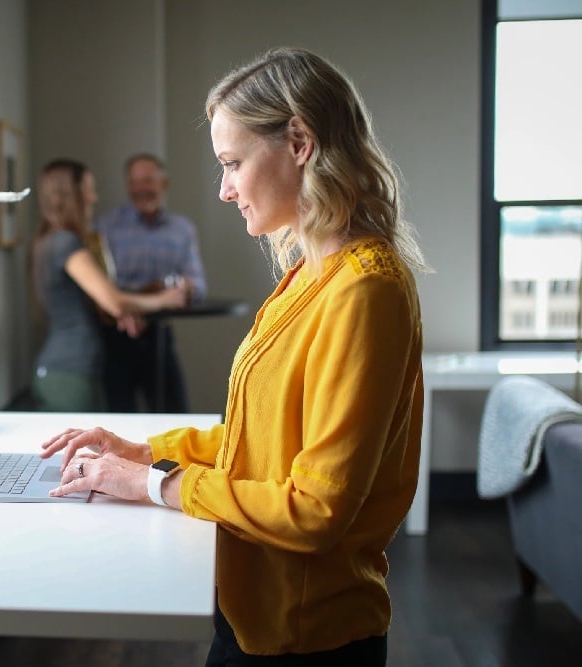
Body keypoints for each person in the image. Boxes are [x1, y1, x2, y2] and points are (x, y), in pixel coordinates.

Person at [40, 47, 428, 665]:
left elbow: (315, 509)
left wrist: (154, 484)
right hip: (252, 612)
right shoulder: (310, 274)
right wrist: (147, 452)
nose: (223, 189)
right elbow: (265, 443)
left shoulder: (365, 290)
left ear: (299, 141)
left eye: (232, 163)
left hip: (307, 638)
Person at [31, 159, 186, 413]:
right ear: (72, 195)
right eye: (89, 190)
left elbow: (102, 303)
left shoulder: (50, 240)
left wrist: (120, 313)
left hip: (62, 371)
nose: (94, 198)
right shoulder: (66, 243)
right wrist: (166, 300)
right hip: (70, 373)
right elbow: (113, 299)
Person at [95, 153, 208, 413]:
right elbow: (101, 288)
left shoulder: (182, 229)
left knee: (175, 416)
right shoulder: (106, 226)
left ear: (163, 184)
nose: (140, 189)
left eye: (147, 181)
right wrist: (147, 296)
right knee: (119, 422)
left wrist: (182, 288)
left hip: (159, 337)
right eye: (134, 182)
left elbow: (199, 286)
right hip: (116, 337)